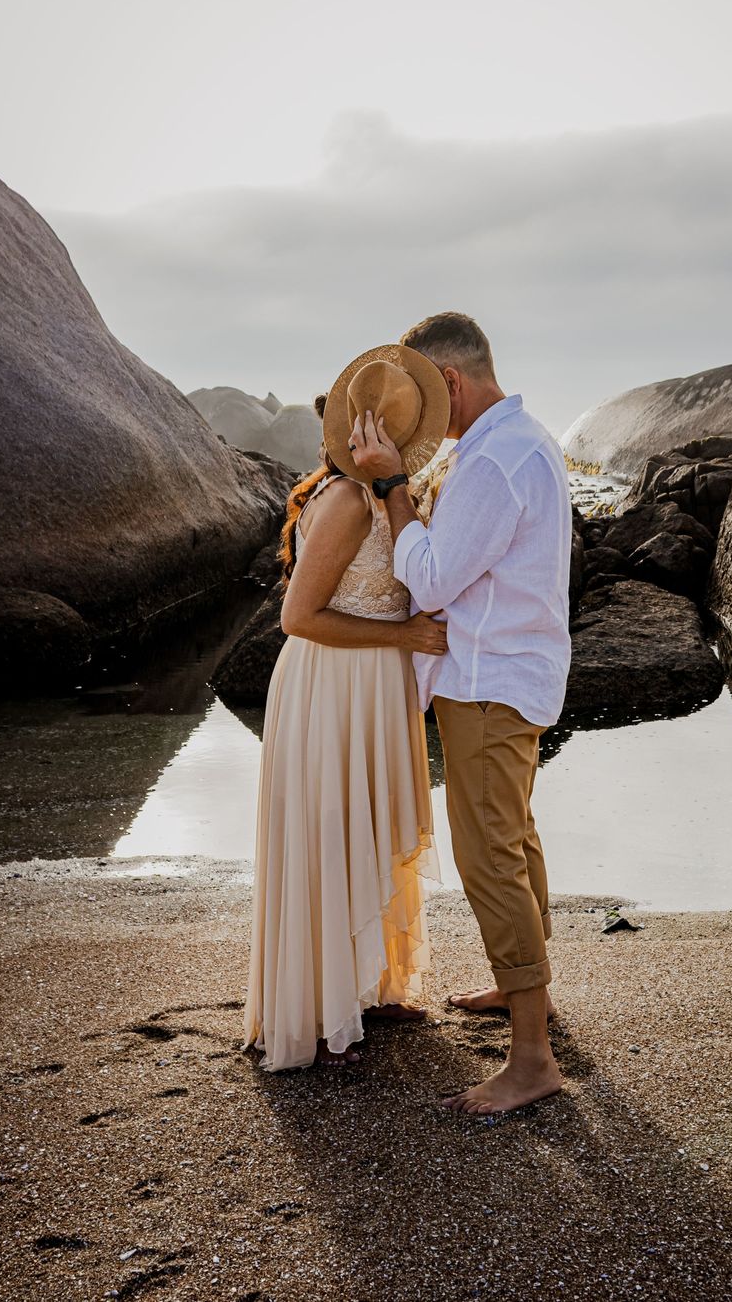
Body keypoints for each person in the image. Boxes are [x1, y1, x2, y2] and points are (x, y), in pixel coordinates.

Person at [349, 312, 572, 1115]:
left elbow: (436, 578)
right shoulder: (519, 443)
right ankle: (527, 995)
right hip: (511, 672)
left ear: (448, 381)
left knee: (488, 859)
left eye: (420, 395)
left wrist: (390, 489)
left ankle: (532, 1060)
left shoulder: (495, 460)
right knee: (514, 837)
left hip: (488, 681)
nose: (415, 416)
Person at [241, 345, 451, 1070]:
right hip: (332, 685)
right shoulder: (343, 501)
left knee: (368, 828)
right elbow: (297, 618)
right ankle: (318, 1009)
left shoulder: (391, 497)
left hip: (376, 685)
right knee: (331, 833)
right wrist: (403, 635)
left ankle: (368, 984)